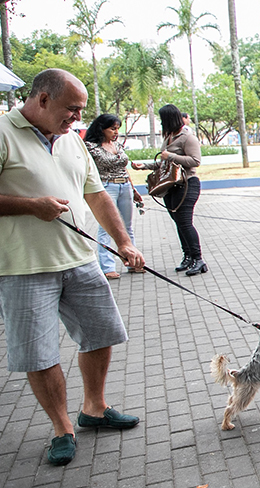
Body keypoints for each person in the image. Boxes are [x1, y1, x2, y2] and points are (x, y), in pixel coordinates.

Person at [0, 68, 144, 466]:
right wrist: (31, 206)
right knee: (40, 353)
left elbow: (96, 195)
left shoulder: (72, 142)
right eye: (71, 110)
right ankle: (62, 427)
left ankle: (94, 410)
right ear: (43, 100)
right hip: (24, 267)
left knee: (100, 334)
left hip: (80, 259)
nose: (77, 119)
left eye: (80, 112)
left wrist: (124, 242)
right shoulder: (3, 132)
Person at [132, 104, 207, 276]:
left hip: (187, 184)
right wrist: (144, 166)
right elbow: (164, 164)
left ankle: (198, 259)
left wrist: (171, 155)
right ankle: (188, 256)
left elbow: (195, 161)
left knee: (185, 222)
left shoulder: (187, 137)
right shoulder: (168, 138)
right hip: (171, 186)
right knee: (178, 222)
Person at [84, 113, 143, 279]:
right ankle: (107, 267)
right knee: (106, 227)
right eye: (112, 128)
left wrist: (134, 189)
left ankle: (133, 262)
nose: (116, 132)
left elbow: (124, 168)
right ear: (101, 129)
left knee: (127, 226)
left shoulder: (117, 145)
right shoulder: (91, 147)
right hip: (106, 186)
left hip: (124, 185)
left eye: (117, 128)